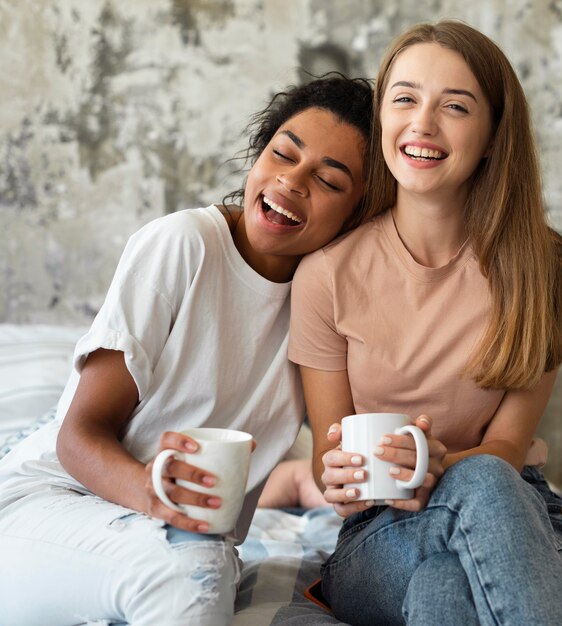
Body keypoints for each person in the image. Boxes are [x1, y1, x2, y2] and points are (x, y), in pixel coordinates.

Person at [0, 74, 372, 625]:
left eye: (329, 180)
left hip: (177, 530)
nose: (292, 181)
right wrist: (152, 493)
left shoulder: (325, 305)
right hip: (53, 503)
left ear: (359, 215)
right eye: (282, 154)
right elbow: (77, 437)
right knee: (188, 567)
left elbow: (320, 459)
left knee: (202, 560)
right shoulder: (184, 244)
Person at [288, 21, 562, 625]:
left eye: (455, 107)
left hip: (522, 518)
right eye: (404, 99)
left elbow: (505, 450)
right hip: (381, 533)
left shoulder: (541, 269)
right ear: (382, 121)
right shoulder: (325, 276)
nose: (423, 124)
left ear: (492, 137)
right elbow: (337, 464)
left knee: (446, 584)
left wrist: (436, 463)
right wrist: (353, 476)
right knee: (473, 492)